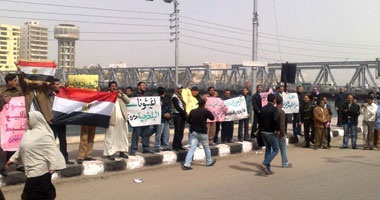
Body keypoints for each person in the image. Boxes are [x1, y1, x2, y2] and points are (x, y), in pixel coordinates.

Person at [6, 111, 66, 200]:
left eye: (29, 119)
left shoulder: (44, 134)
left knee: (31, 195)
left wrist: (54, 166)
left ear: (35, 119)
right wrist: (12, 159)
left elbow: (52, 151)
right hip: (30, 170)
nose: (27, 121)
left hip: (40, 170)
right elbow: (22, 148)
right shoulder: (28, 133)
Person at [182, 99, 216, 170]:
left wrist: (193, 124)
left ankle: (186, 164)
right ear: (204, 104)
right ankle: (209, 161)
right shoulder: (205, 111)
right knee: (206, 148)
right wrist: (208, 111)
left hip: (194, 132)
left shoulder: (193, 111)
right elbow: (212, 118)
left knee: (192, 148)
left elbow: (188, 120)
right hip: (202, 132)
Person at [49, 78, 73, 164]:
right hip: (52, 121)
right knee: (51, 141)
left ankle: (64, 159)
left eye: (60, 84)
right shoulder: (48, 94)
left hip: (61, 120)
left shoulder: (62, 93)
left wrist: (65, 86)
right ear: (52, 86)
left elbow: (72, 91)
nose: (59, 86)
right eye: (57, 84)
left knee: (63, 140)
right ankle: (51, 160)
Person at [104, 81, 130, 160]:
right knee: (111, 136)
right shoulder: (106, 95)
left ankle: (122, 152)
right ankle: (110, 153)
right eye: (112, 86)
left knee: (122, 136)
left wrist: (122, 94)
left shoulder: (120, 95)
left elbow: (128, 101)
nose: (114, 88)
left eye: (115, 86)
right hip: (112, 119)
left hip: (122, 119)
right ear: (109, 87)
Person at [258, 94, 279, 175]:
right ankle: (264, 163)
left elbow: (259, 120)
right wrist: (276, 130)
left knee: (268, 149)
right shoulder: (274, 109)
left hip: (263, 132)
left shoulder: (263, 109)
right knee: (276, 149)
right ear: (274, 100)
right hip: (271, 132)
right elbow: (275, 120)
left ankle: (268, 169)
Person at [130, 82, 152, 155]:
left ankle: (146, 148)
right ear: (138, 87)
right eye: (142, 85)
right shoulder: (133, 95)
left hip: (146, 118)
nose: (144, 87)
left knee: (146, 133)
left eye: (145, 85)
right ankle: (133, 150)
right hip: (137, 118)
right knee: (136, 134)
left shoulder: (148, 95)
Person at [154, 87, 171, 152]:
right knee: (159, 133)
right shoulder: (157, 100)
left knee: (166, 133)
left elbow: (167, 108)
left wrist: (168, 114)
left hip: (165, 119)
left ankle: (165, 146)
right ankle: (157, 146)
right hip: (160, 119)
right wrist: (164, 114)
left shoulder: (164, 99)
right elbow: (156, 110)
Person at [276, 96, 292, 168]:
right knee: (283, 148)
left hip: (273, 132)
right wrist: (283, 134)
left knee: (271, 149)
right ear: (282, 102)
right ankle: (285, 163)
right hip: (280, 133)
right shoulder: (281, 112)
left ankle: (266, 162)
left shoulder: (273, 110)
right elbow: (282, 124)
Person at [172, 84, 187, 151]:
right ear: (176, 89)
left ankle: (179, 145)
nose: (180, 90)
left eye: (181, 88)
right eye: (179, 89)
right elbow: (177, 107)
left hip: (181, 115)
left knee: (181, 131)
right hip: (177, 115)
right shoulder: (174, 97)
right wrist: (184, 112)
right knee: (177, 131)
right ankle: (175, 146)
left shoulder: (180, 97)